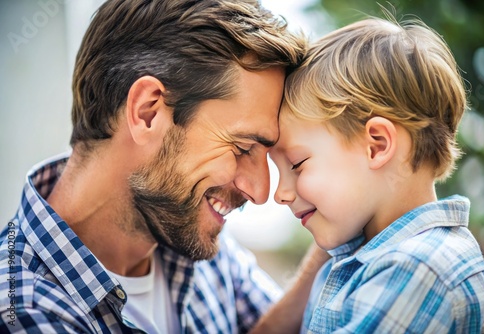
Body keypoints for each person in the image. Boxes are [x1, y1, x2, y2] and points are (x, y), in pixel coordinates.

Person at [0, 0, 330, 333]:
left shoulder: (194, 240)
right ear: (148, 113)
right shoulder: (21, 310)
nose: (260, 193)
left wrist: (341, 225)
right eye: (243, 147)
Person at [269, 16, 484, 333]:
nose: (279, 193)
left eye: (296, 164)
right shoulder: (365, 257)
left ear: (377, 146)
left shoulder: (420, 270)